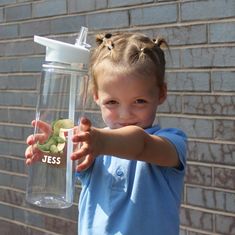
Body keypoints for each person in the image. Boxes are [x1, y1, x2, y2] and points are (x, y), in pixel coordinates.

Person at [25, 32, 187, 235]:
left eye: (139, 101)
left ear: (161, 93)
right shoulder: (92, 143)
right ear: (96, 96)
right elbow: (72, 160)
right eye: (112, 102)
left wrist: (100, 141)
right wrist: (54, 153)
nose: (125, 114)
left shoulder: (172, 143)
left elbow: (141, 144)